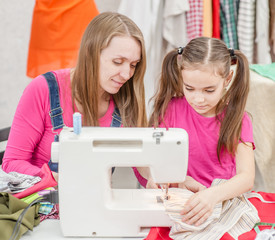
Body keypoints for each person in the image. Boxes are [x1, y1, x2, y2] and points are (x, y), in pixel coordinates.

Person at [2, 12, 148, 182]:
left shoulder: (126, 100)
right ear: (90, 53)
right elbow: (12, 162)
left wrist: (155, 178)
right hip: (44, 202)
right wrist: (55, 179)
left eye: (133, 65)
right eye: (117, 62)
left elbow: (142, 167)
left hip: (93, 202)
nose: (126, 74)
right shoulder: (44, 89)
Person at [139, 37, 255, 226]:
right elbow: (148, 159)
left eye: (209, 90)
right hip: (180, 204)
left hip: (220, 202)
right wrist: (157, 176)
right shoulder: (170, 110)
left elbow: (246, 177)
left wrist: (212, 196)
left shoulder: (239, 120)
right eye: (189, 88)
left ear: (227, 79)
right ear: (181, 78)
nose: (198, 99)